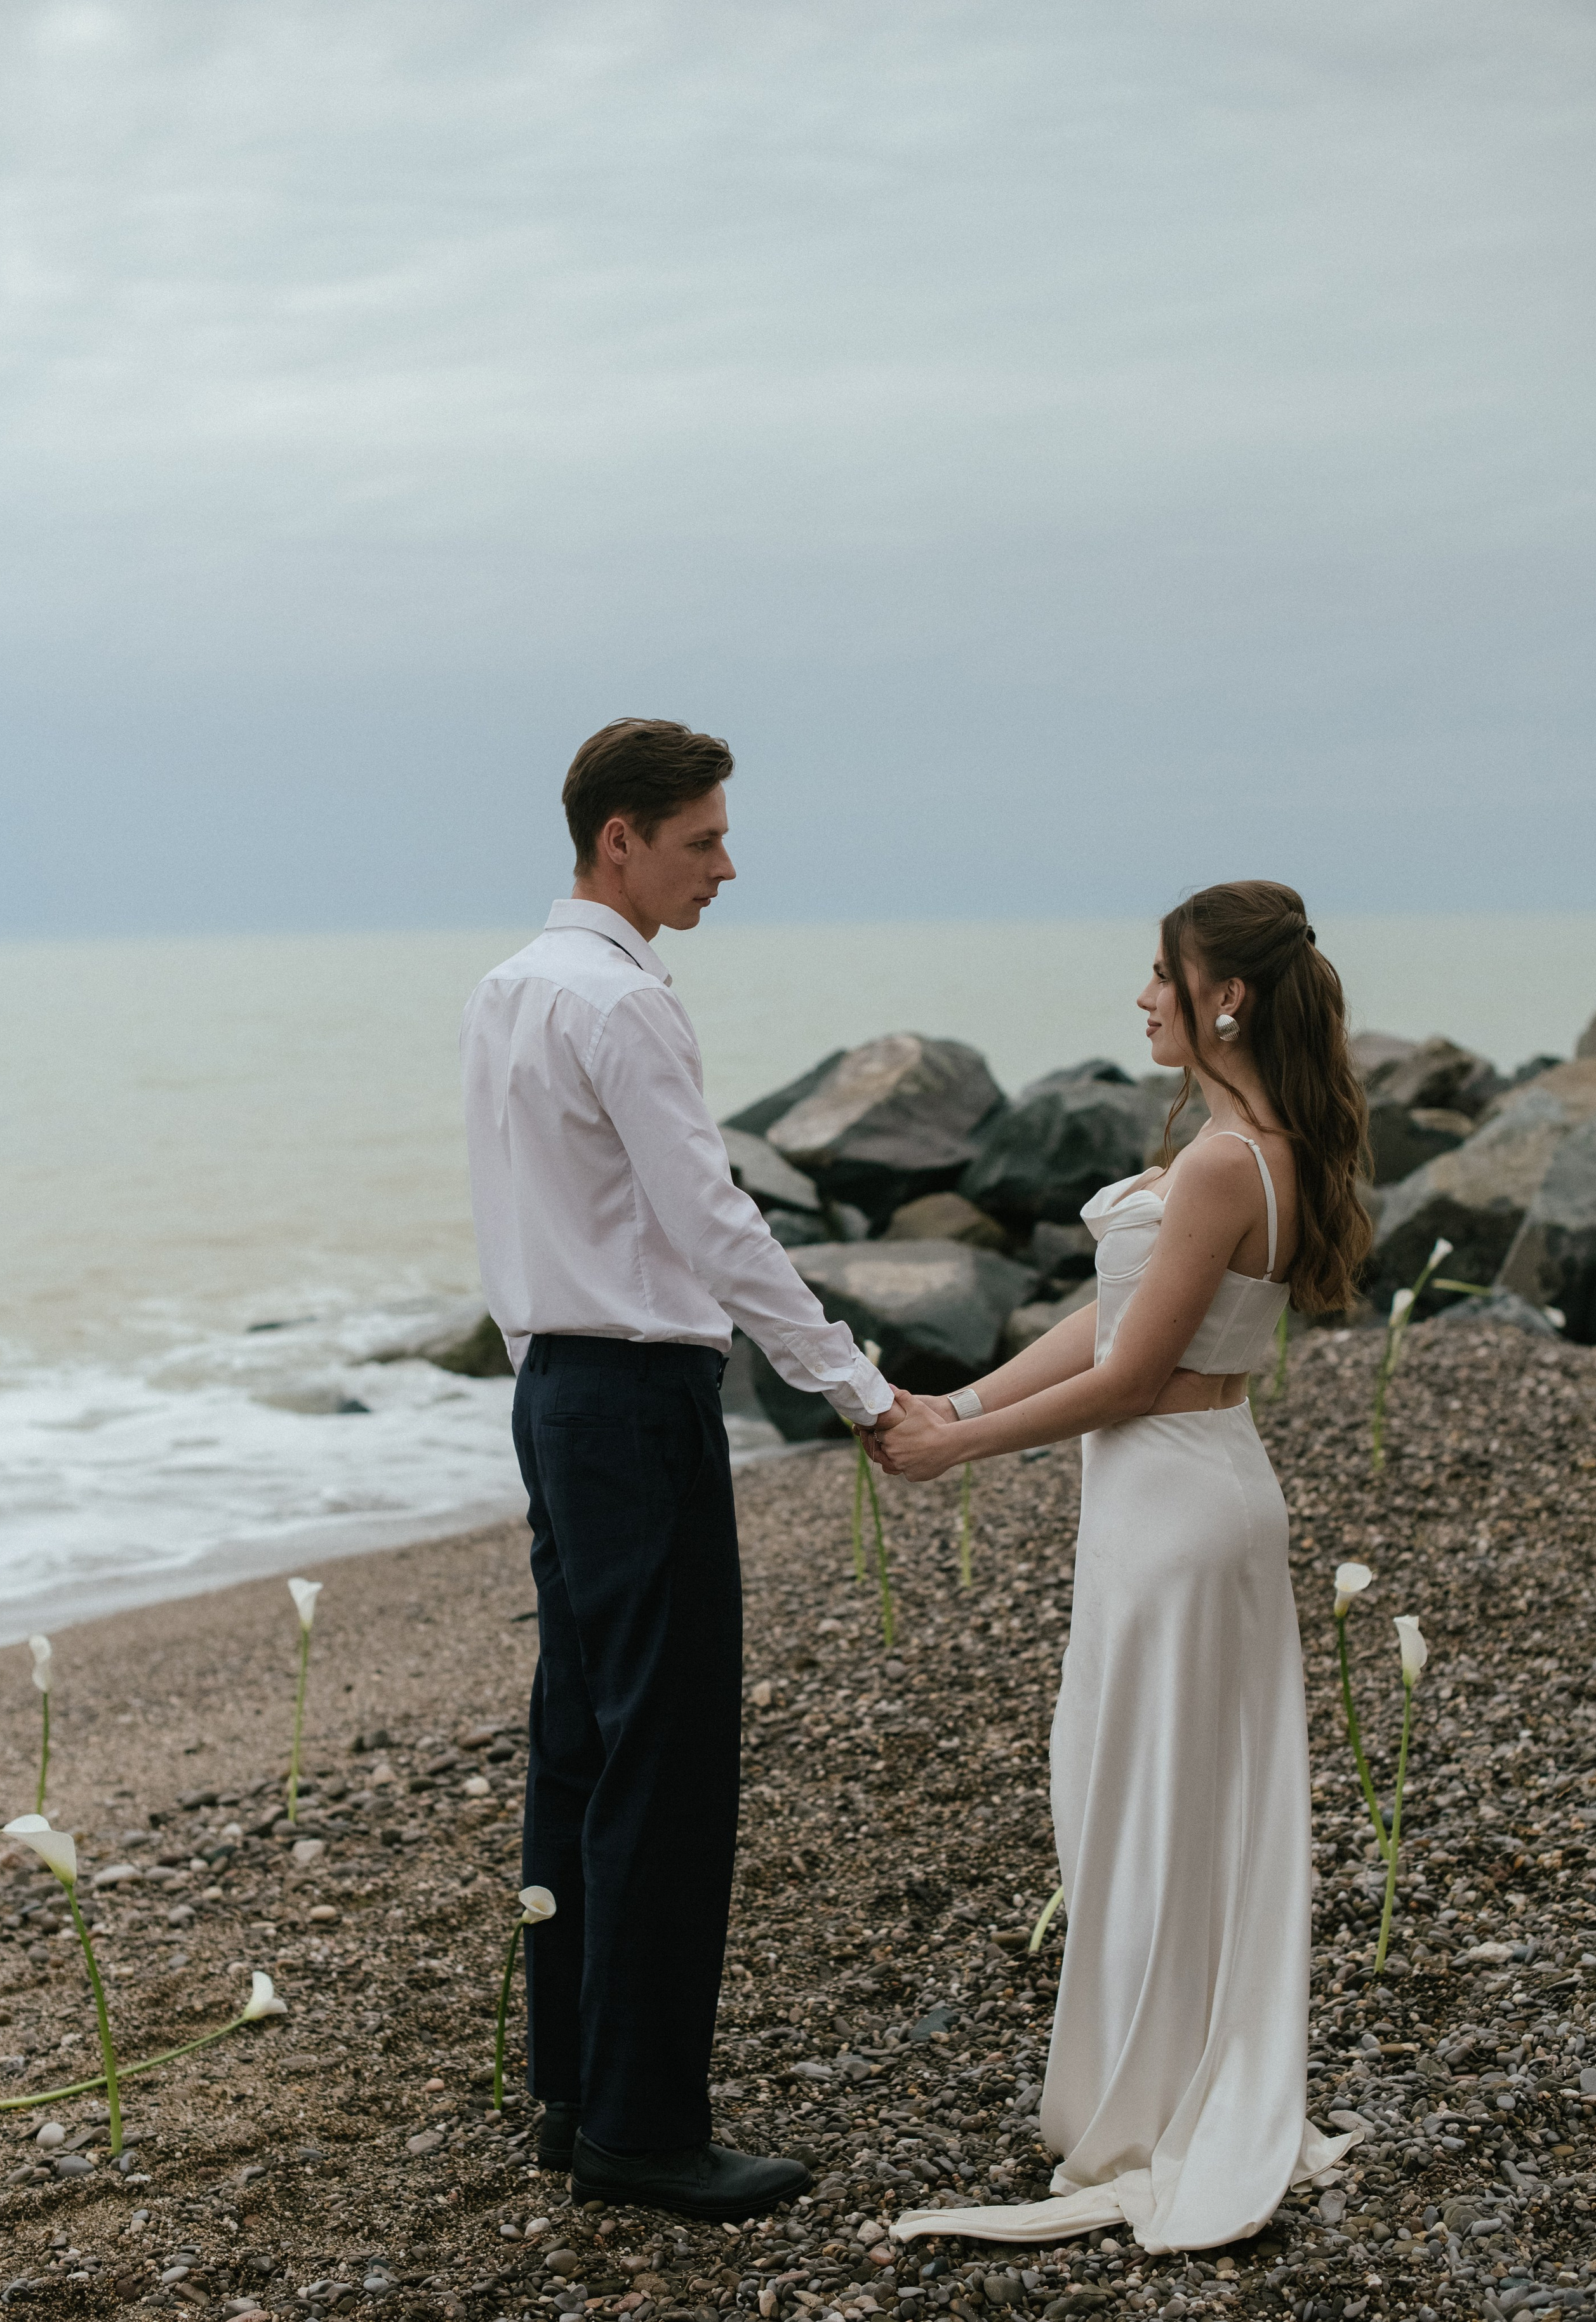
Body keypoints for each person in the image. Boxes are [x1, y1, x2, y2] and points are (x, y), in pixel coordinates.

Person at [874, 881, 1373, 2255]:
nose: (1141, 996)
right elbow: (1112, 1317)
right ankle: (1158, 2070)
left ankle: (1165, 2099)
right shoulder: (1243, 1144)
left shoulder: (1224, 1160)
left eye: (1161, 974)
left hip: (1177, 1500)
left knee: (1147, 1795)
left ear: (1225, 996)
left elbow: (1134, 1374)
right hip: (1187, 1498)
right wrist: (957, 1406)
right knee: (1138, 1785)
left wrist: (951, 1457)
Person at [459, 717, 896, 2224]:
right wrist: (851, 1384)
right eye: (701, 838)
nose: (726, 862)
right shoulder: (621, 1003)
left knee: (580, 1742)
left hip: (555, 1397)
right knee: (665, 1754)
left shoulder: (511, 986)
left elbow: (526, 1217)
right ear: (618, 839)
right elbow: (711, 1223)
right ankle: (642, 2126)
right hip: (636, 1404)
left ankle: (574, 2094)